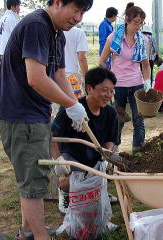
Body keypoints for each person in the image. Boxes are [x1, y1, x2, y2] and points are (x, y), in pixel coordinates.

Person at [0, 0, 93, 239]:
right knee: (33, 182)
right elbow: (36, 78)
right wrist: (70, 105)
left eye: (82, 12)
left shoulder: (57, 33)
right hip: (21, 116)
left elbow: (58, 74)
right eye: (76, 9)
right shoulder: (37, 26)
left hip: (34, 113)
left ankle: (28, 231)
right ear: (57, 2)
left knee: (31, 177)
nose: (78, 17)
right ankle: (40, 236)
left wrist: (76, 105)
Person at [51, 66, 118, 230]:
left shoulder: (110, 113)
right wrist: (58, 159)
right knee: (69, 177)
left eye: (111, 91)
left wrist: (108, 154)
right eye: (104, 90)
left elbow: (111, 140)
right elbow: (52, 135)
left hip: (95, 157)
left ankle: (98, 195)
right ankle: (65, 191)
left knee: (111, 165)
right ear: (89, 88)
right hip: (72, 157)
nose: (108, 95)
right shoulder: (73, 109)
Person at [99, 2, 151, 151]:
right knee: (117, 120)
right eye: (136, 22)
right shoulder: (114, 37)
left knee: (138, 119)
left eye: (141, 23)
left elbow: (145, 65)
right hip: (118, 85)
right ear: (127, 20)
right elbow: (102, 61)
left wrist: (147, 81)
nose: (139, 26)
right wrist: (109, 80)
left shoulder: (143, 40)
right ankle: (114, 150)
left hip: (136, 84)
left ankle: (138, 151)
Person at [64, 26, 89, 98]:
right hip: (72, 78)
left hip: (54, 78)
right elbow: (82, 58)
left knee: (57, 107)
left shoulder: (53, 31)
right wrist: (87, 79)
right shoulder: (78, 33)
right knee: (75, 107)